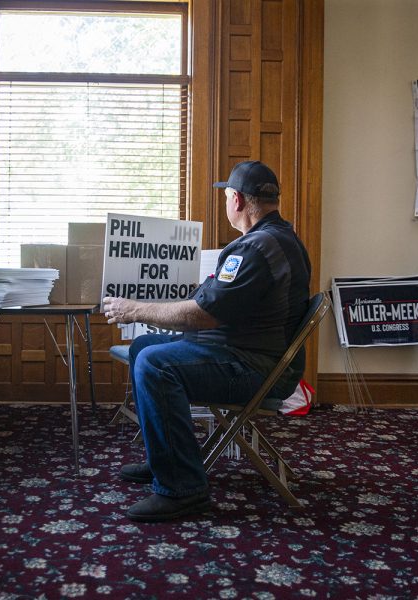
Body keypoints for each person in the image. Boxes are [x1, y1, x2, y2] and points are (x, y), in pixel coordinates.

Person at [101, 160, 311, 522]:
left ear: (238, 201)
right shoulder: (279, 238)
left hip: (251, 367)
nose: (227, 202)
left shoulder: (255, 249)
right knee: (142, 349)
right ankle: (166, 460)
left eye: (228, 196)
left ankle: (183, 489)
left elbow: (204, 314)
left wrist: (135, 309)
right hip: (247, 354)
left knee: (155, 364)